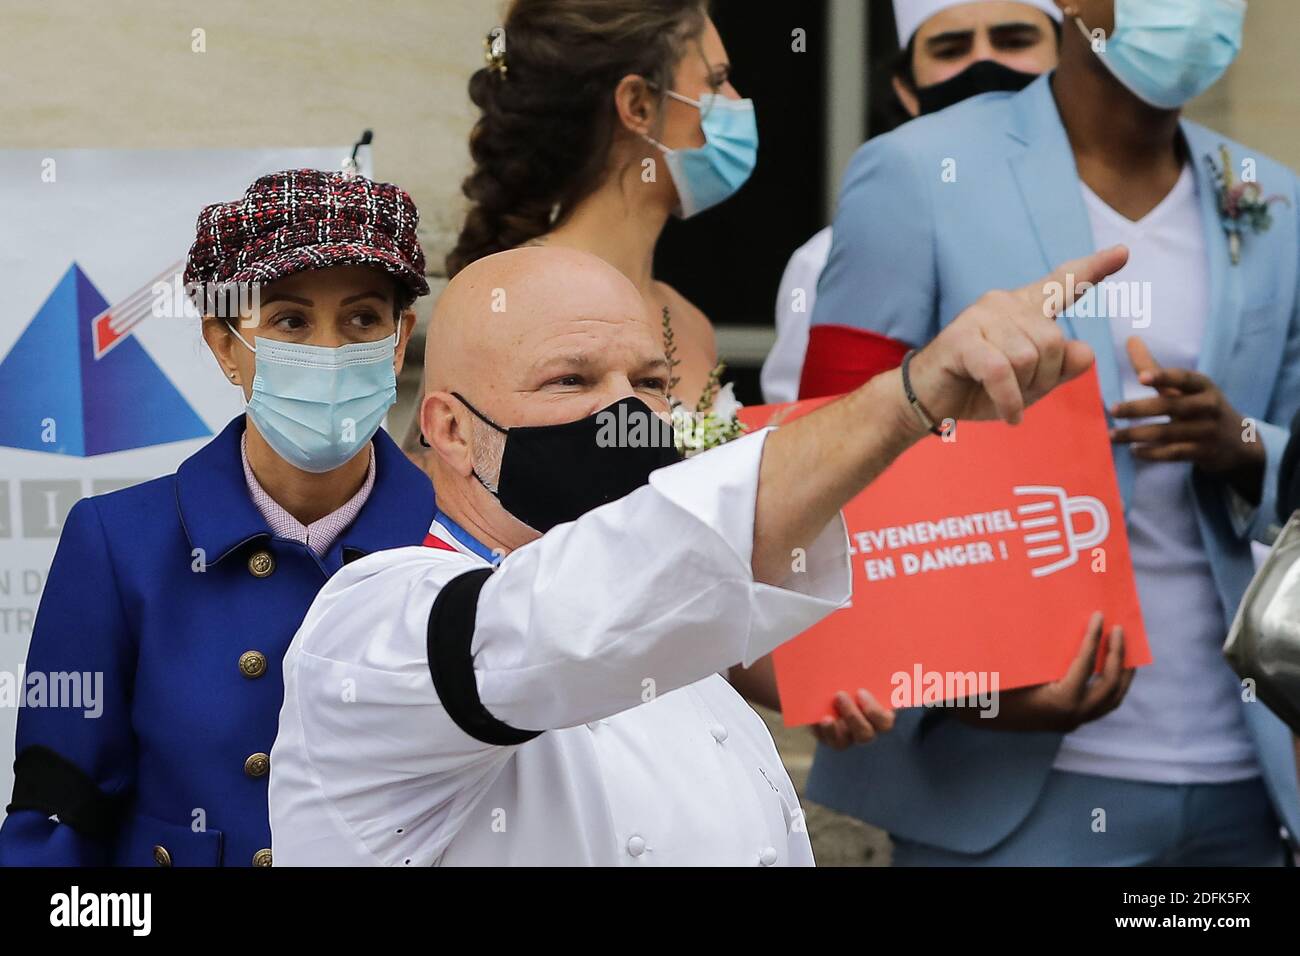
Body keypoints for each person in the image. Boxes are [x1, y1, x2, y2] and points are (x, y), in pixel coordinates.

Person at [266, 241, 1128, 866]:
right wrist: (903, 402)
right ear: (450, 429)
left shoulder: (682, 640)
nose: (625, 413)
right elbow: (574, 618)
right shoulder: (374, 623)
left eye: (645, 381)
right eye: (571, 380)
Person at [800, 0, 1300, 866]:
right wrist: (962, 692)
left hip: (1241, 773)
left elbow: (1286, 444)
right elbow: (828, 457)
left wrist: (1240, 443)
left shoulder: (1270, 197)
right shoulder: (919, 171)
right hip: (1002, 782)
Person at [0, 169, 437, 867]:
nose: (329, 352)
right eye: (291, 320)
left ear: (399, 336)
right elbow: (59, 820)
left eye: (362, 319)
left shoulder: (457, 547)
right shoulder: (118, 545)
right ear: (225, 344)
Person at [443, 0, 752, 410]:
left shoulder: (689, 322)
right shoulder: (515, 300)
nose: (736, 100)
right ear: (638, 105)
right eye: (716, 81)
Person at [761, 0, 1063, 404]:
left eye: (1013, 41)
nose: (984, 62)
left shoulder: (1113, 224)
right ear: (906, 89)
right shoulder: (828, 262)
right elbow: (810, 434)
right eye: (951, 50)